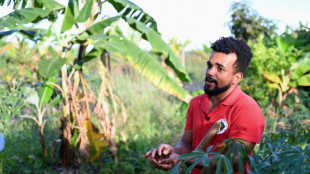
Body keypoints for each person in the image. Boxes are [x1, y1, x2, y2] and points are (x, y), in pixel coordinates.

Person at [143, 37, 265, 173]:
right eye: (209, 65)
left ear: (236, 78)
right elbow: (187, 144)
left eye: (220, 69)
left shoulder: (247, 109)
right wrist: (172, 152)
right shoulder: (197, 103)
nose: (210, 72)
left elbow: (236, 160)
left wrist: (183, 159)